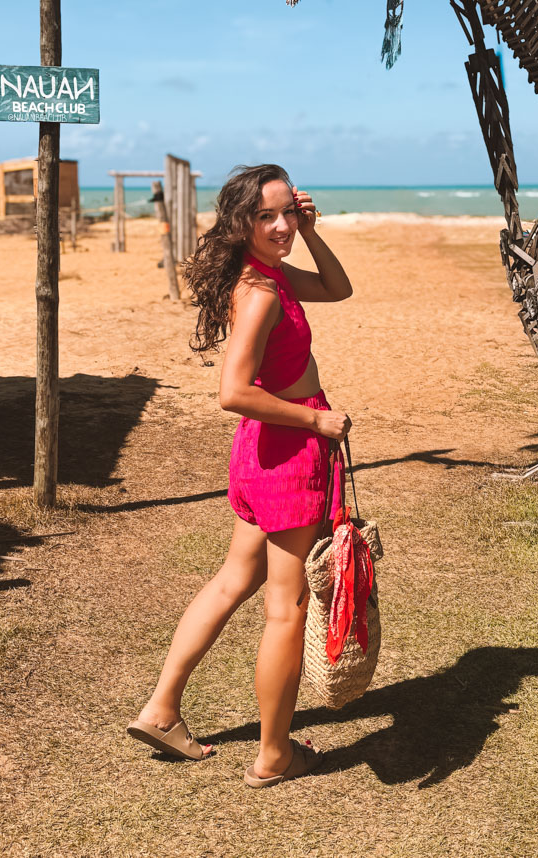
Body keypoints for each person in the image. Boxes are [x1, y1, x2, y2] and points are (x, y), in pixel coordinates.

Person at [127, 164, 353, 787]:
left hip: (266, 450)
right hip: (287, 451)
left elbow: (338, 288)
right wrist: (317, 423)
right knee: (287, 607)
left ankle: (161, 708)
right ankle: (275, 754)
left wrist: (309, 232)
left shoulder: (273, 275)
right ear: (240, 223)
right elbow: (233, 392)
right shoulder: (260, 293)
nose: (281, 225)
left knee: (234, 580)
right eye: (267, 217)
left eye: (288, 211)